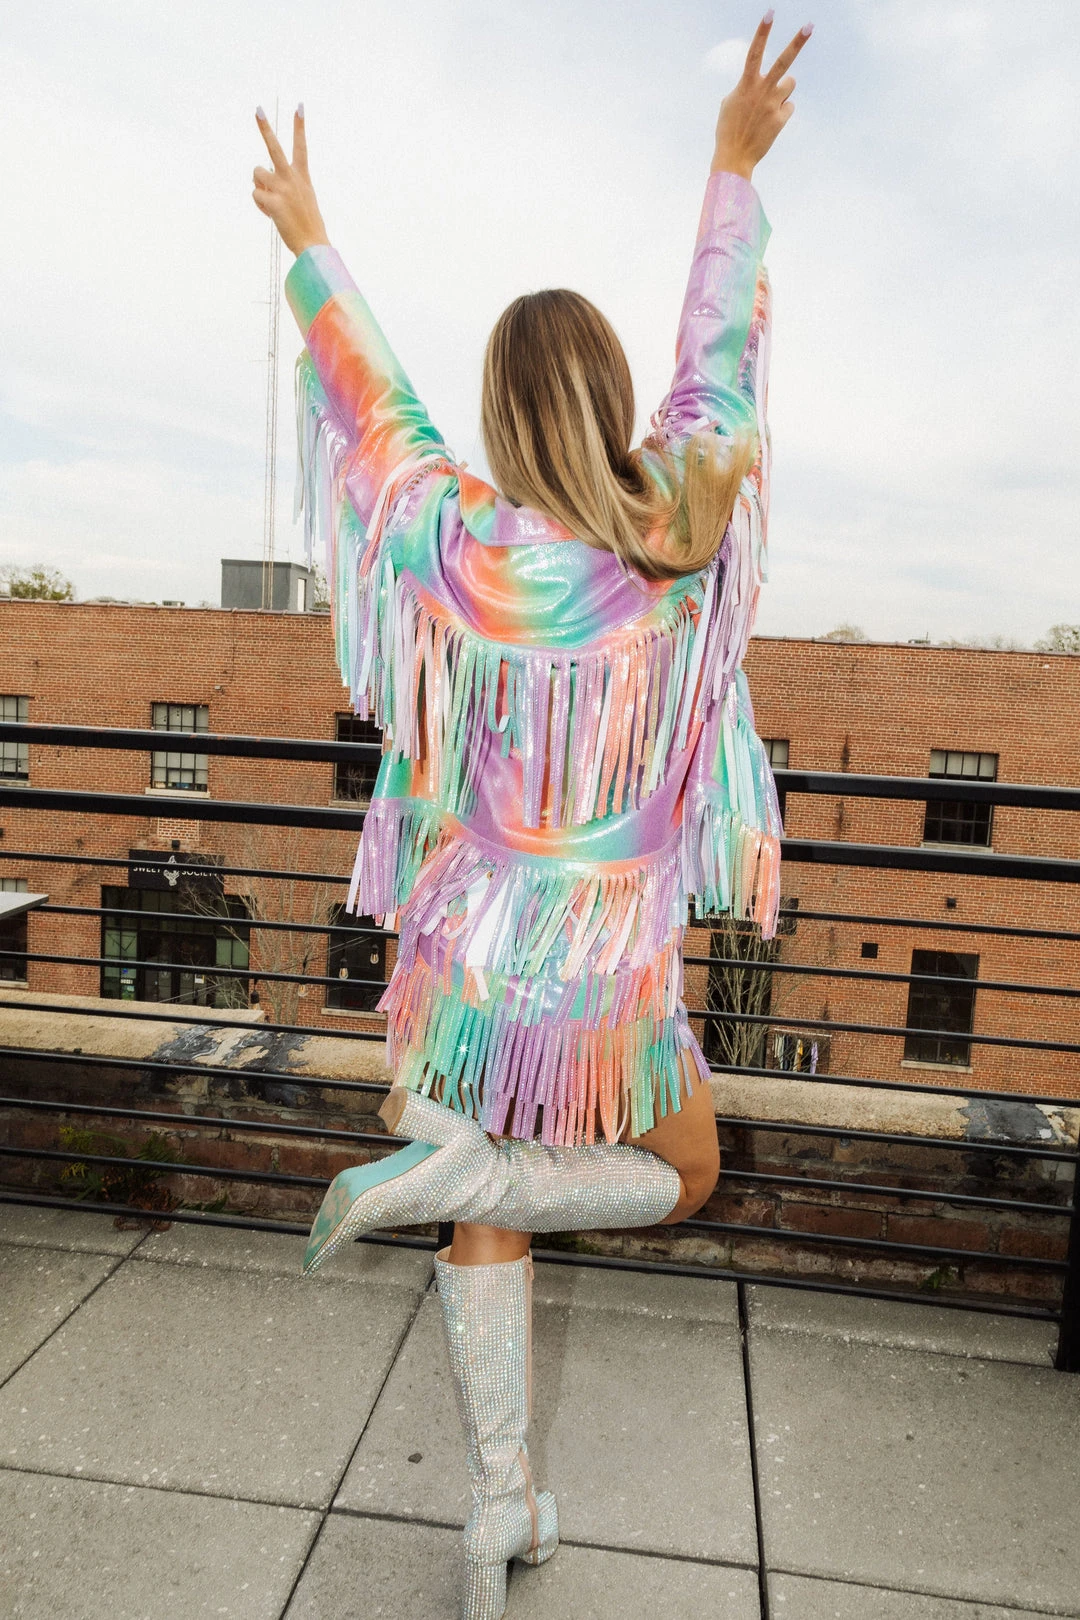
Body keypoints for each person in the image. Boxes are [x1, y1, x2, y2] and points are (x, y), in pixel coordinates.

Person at [253, 15, 809, 1616]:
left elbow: (378, 414)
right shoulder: (677, 534)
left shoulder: (460, 549)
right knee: (685, 1175)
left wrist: (310, 246)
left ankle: (497, 1502)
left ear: (503, 420)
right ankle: (469, 1213)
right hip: (606, 967)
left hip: (470, 949)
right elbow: (720, 365)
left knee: (473, 1183)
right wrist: (731, 169)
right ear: (615, 400)